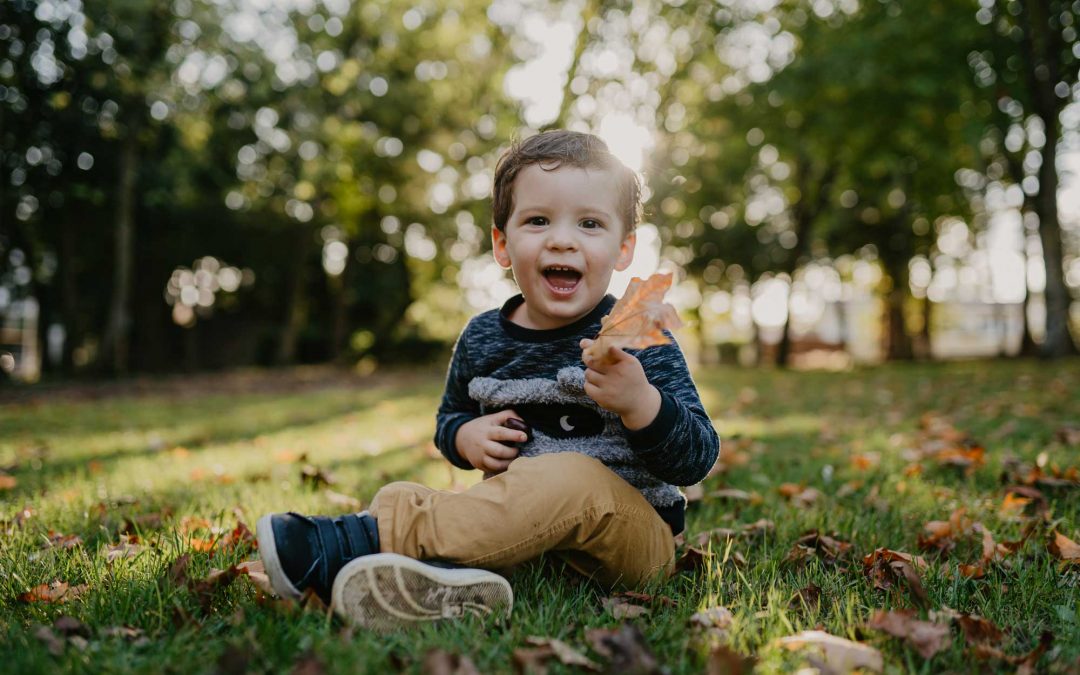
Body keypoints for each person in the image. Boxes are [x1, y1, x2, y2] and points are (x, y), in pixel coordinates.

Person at [256, 129, 720, 632]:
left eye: (590, 223)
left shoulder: (637, 337)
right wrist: (464, 435)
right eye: (538, 220)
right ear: (502, 243)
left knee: (572, 477)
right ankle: (433, 585)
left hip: (631, 543)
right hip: (522, 538)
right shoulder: (481, 339)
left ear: (623, 248)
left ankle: (353, 545)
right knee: (400, 491)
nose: (562, 238)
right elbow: (449, 418)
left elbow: (697, 457)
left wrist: (642, 404)